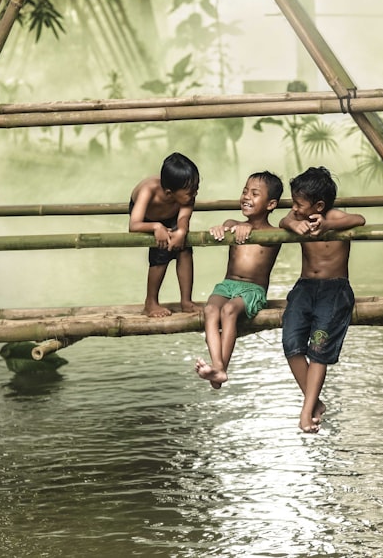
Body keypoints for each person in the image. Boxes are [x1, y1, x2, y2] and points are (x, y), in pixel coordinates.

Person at [279, 166, 365, 433]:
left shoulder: (335, 216)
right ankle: (314, 402)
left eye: (298, 204)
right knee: (291, 342)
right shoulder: (296, 218)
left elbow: (360, 219)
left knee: (318, 347)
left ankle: (306, 412)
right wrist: (294, 223)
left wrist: (329, 225)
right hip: (305, 287)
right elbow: (283, 222)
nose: (293, 208)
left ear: (319, 205)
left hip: (334, 289)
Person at [196, 171, 284, 389]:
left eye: (255, 194)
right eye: (245, 191)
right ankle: (218, 367)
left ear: (271, 204)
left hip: (253, 290)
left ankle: (219, 369)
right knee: (210, 310)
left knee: (228, 311)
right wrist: (219, 230)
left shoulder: (275, 233)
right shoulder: (233, 223)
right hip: (227, 285)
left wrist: (250, 228)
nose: (246, 196)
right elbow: (223, 229)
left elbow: (276, 228)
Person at [129, 152, 200, 317]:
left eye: (196, 188)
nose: (195, 193)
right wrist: (155, 226)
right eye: (190, 192)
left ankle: (186, 302)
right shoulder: (148, 190)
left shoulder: (187, 196)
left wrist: (181, 231)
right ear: (169, 193)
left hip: (171, 218)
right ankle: (150, 303)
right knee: (161, 251)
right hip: (147, 219)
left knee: (184, 249)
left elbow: (183, 217)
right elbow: (133, 225)